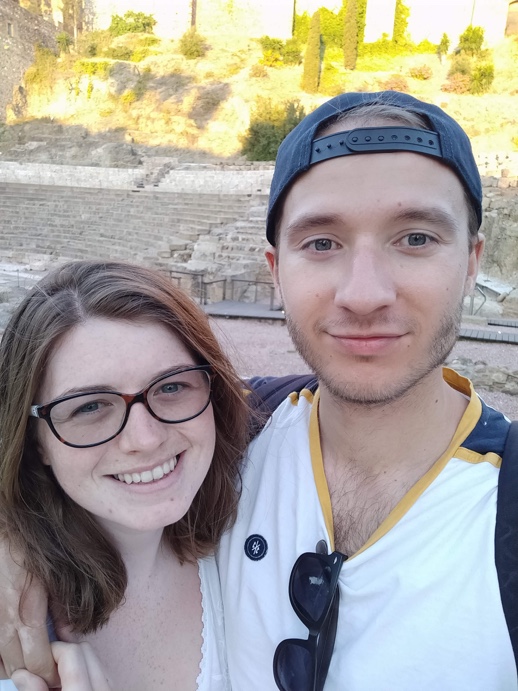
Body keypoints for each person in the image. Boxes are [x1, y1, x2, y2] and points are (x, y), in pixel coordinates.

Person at [1, 90, 517, 691]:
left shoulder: (501, 507)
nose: (364, 294)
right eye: (321, 243)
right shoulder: (231, 429)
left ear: (473, 260)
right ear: (276, 271)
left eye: (417, 238)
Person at [0, 260, 250, 691]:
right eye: (90, 407)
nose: (145, 439)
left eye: (171, 386)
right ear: (35, 440)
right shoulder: (13, 640)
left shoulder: (247, 533)